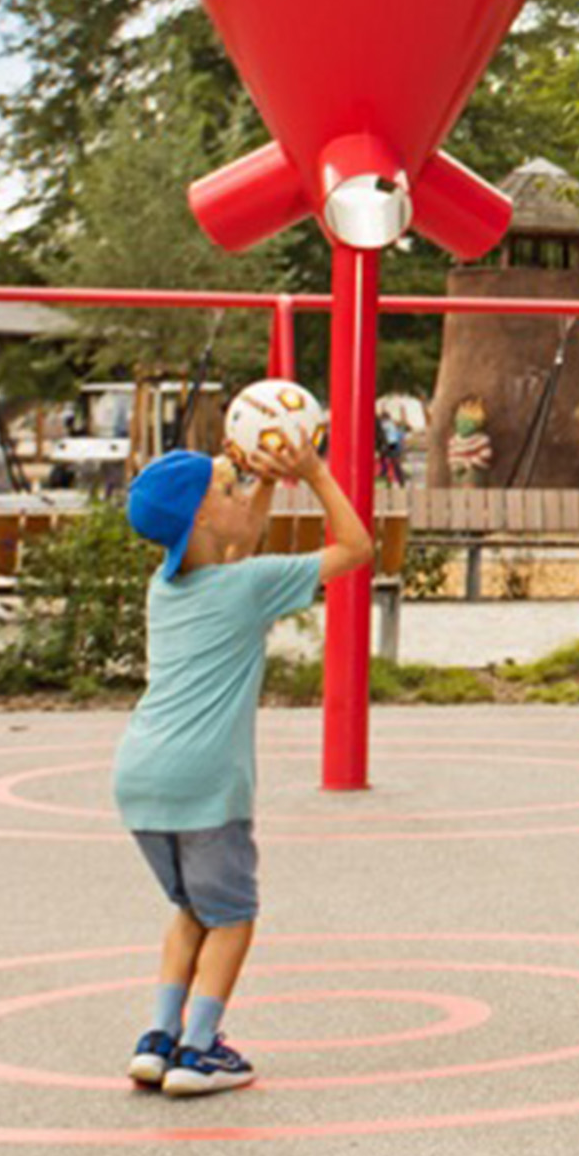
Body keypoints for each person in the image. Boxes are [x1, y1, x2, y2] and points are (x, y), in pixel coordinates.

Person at [110, 430, 373, 1097]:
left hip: (140, 777)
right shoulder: (247, 587)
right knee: (232, 916)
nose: (237, 495)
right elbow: (355, 547)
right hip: (205, 783)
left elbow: (236, 541)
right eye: (225, 489)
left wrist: (255, 482)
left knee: (192, 909)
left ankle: (158, 1037)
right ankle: (200, 1051)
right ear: (201, 515)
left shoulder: (165, 589)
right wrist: (312, 473)